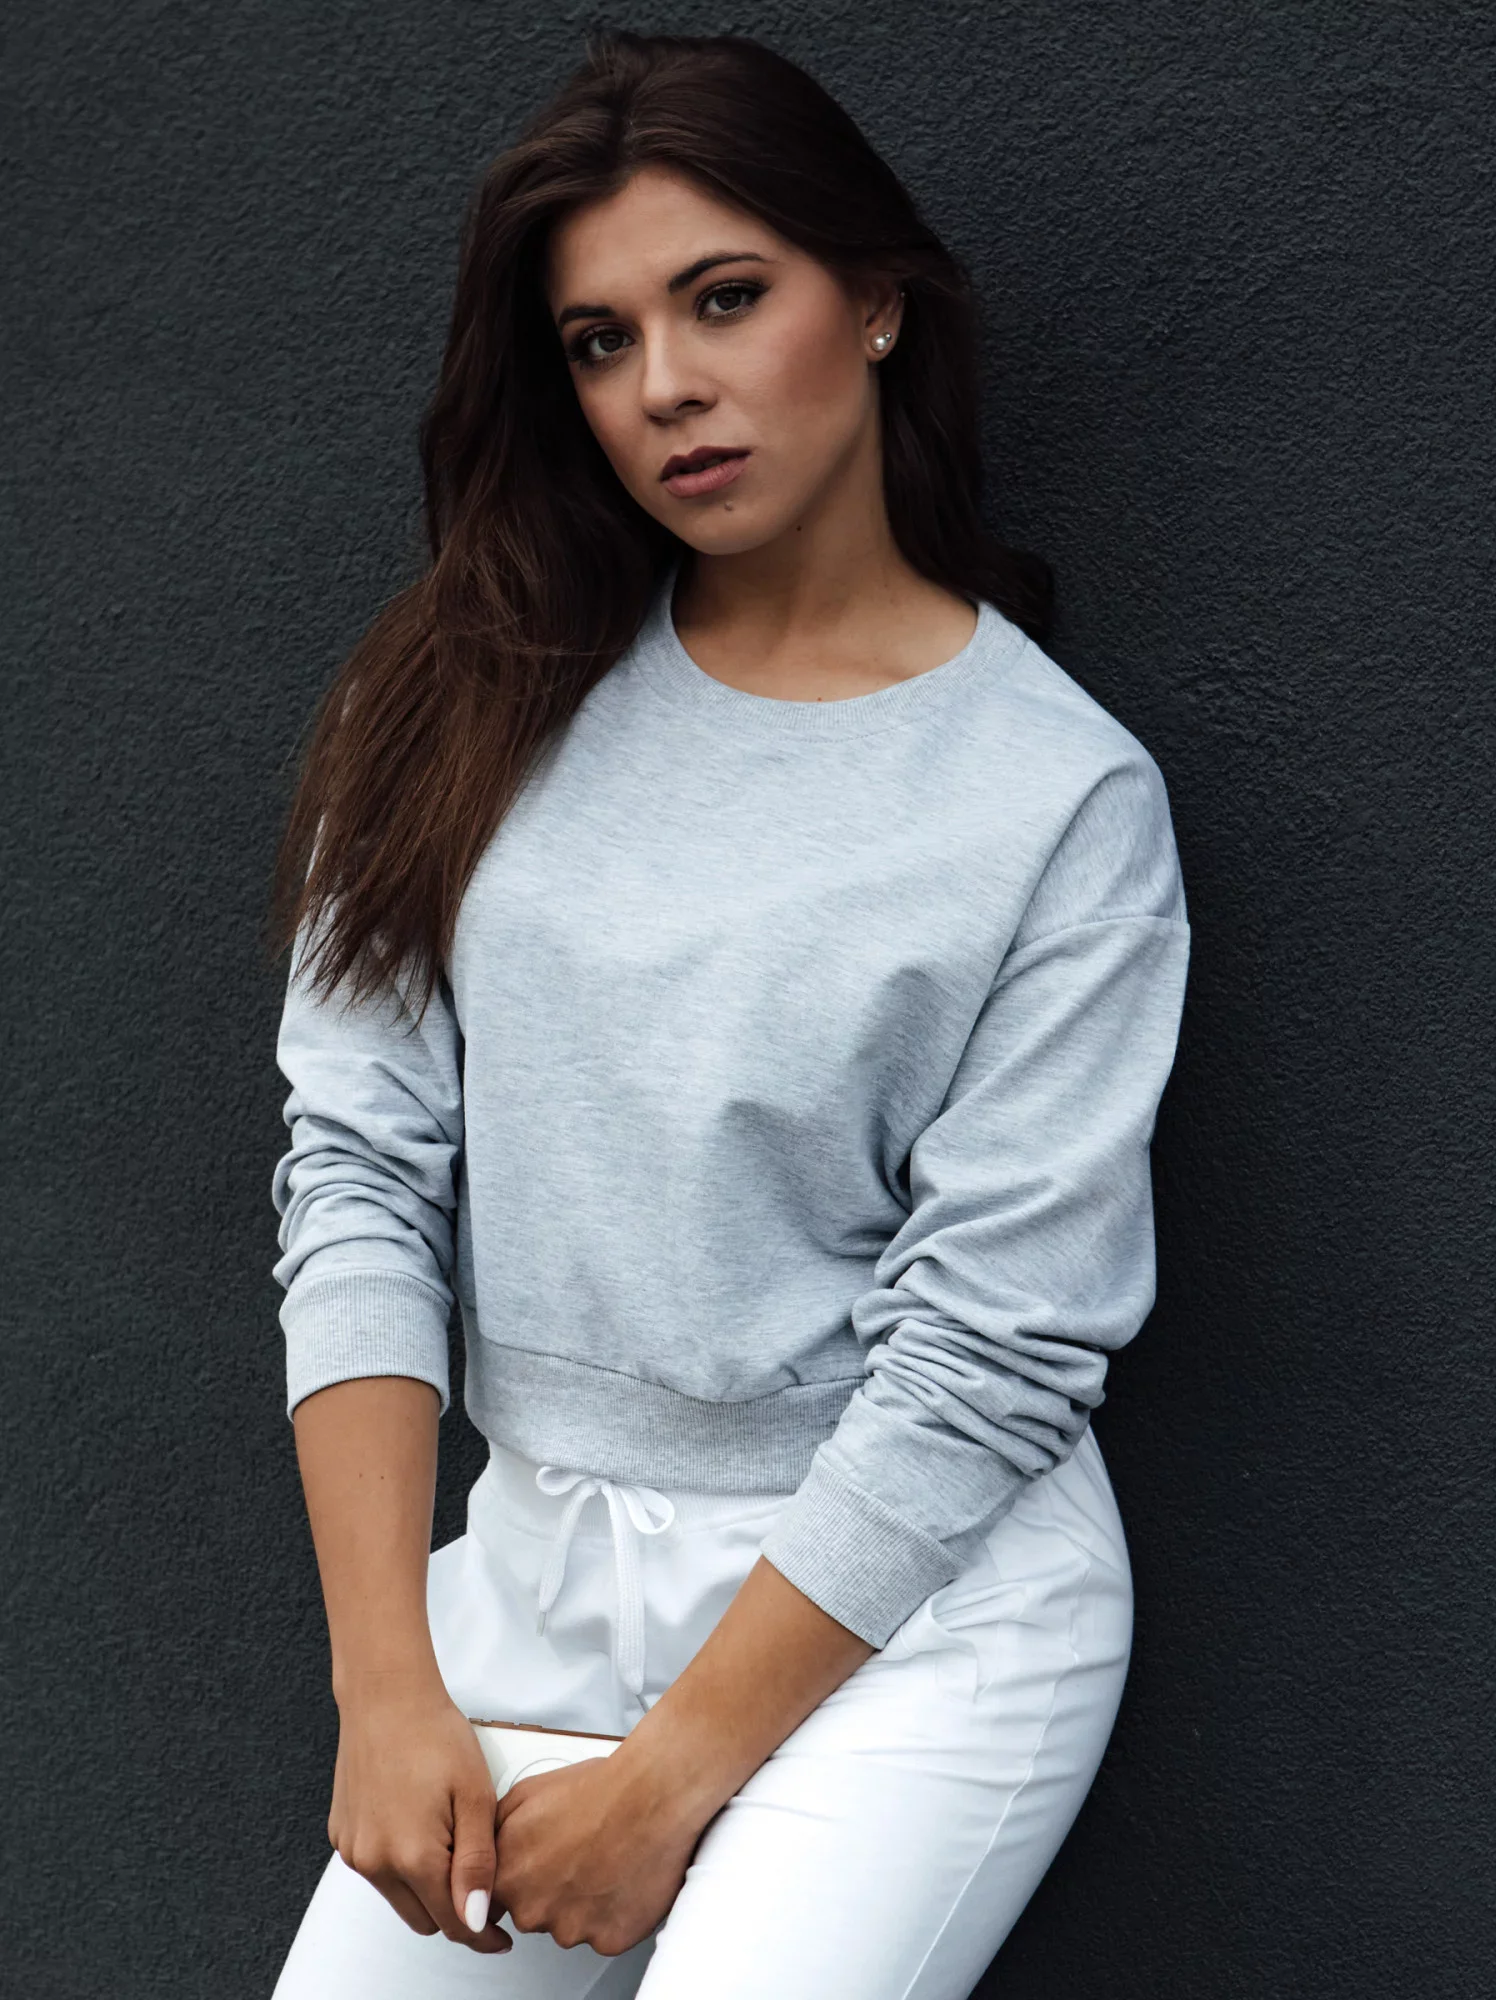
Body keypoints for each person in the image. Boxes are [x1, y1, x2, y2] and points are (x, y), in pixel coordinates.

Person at [263, 27, 1191, 1999]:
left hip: (903, 1619)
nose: (666, 385)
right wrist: (385, 1686)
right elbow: (357, 1174)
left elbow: (992, 1351)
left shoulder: (1053, 799)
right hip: (532, 1585)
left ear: (876, 303)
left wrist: (677, 1774)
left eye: (725, 298)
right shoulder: (452, 701)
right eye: (600, 341)